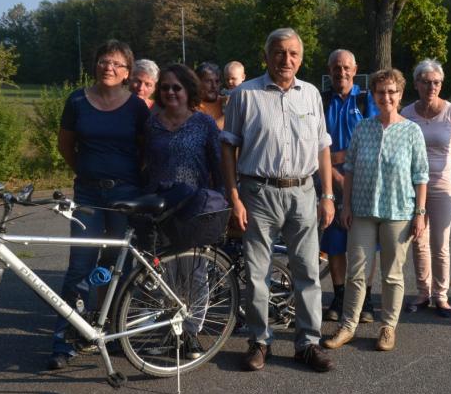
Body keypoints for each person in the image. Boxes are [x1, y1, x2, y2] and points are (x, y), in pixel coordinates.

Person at [221, 28, 336, 372]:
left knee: (308, 272)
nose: (287, 60)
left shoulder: (312, 94)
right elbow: (228, 146)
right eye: (280, 53)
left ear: (301, 58)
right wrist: (234, 196)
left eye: (293, 54)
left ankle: (307, 344)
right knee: (257, 274)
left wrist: (327, 195)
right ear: (267, 55)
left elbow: (322, 147)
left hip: (303, 192)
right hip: (258, 192)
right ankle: (260, 341)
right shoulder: (245, 94)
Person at [50, 40, 150, 370]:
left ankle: (112, 331)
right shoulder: (77, 100)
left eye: (116, 64)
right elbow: (66, 146)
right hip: (89, 196)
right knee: (80, 264)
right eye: (103, 61)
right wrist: (88, 174)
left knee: (116, 265)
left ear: (127, 72)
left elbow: (144, 149)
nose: (108, 67)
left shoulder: (137, 107)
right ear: (95, 66)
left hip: (125, 195)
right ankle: (64, 339)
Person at [323, 68, 428, 352]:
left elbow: (421, 176)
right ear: (373, 95)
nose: (386, 97)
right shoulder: (363, 128)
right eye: (381, 92)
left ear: (400, 94)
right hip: (362, 211)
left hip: (398, 211)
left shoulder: (411, 131)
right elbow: (351, 169)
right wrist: (345, 204)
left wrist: (419, 213)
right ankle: (348, 326)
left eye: (392, 92)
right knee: (356, 272)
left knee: (392, 274)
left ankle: (387, 327)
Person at [144, 63, 223, 359]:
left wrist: (224, 199)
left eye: (176, 87)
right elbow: (144, 161)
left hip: (194, 204)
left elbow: (218, 165)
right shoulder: (152, 124)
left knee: (195, 272)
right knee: (166, 274)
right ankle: (170, 332)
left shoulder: (203, 123)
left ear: (188, 90)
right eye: (165, 87)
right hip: (160, 205)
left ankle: (191, 333)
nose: (170, 92)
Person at [319, 49, 380, 324]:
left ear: (355, 70)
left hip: (364, 184)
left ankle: (365, 298)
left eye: (346, 68)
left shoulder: (367, 99)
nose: (341, 72)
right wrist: (334, 173)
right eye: (336, 68)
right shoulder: (320, 100)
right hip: (329, 184)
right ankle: (340, 295)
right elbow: (313, 146)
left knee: (365, 244)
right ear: (329, 70)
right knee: (334, 244)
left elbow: (376, 139)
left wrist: (339, 157)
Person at [400, 59, 451, 318]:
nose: (431, 86)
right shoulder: (407, 113)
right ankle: (423, 292)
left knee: (440, 242)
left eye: (436, 82)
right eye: (426, 82)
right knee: (419, 240)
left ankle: (441, 295)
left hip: (442, 182)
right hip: (413, 184)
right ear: (416, 83)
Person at [196, 62, 225, 130]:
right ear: (197, 82)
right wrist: (230, 114)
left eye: (217, 81)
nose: (214, 86)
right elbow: (208, 132)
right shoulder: (192, 106)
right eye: (208, 81)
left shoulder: (225, 101)